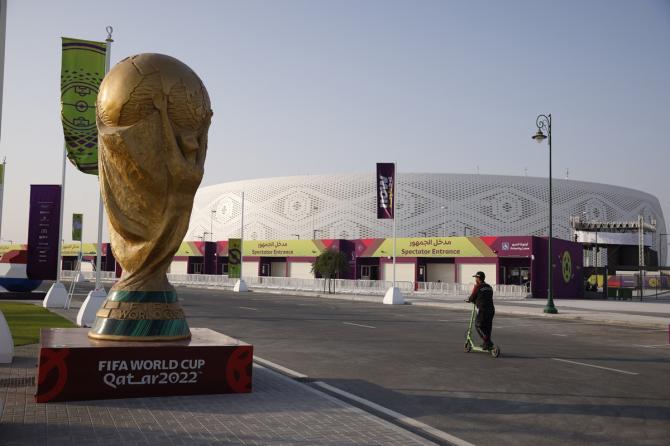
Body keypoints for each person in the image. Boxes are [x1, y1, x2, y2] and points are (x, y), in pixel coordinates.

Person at [467, 271, 495, 350]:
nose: (475, 279)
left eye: (476, 277)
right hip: (491, 309)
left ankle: (487, 341)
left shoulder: (478, 286)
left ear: (478, 278)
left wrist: (469, 300)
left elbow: (472, 297)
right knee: (488, 327)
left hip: (482, 309)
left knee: (478, 325)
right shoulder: (489, 287)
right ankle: (486, 344)